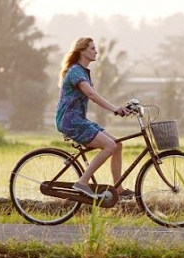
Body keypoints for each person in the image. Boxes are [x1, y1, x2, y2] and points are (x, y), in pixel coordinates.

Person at [55, 37, 134, 200]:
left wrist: (122, 108)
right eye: (92, 48)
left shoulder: (83, 72)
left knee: (117, 145)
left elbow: (92, 94)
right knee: (110, 146)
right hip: (70, 121)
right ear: (82, 51)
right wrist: (115, 109)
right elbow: (91, 94)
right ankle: (82, 182)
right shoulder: (75, 71)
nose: (96, 51)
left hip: (79, 120)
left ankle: (117, 188)